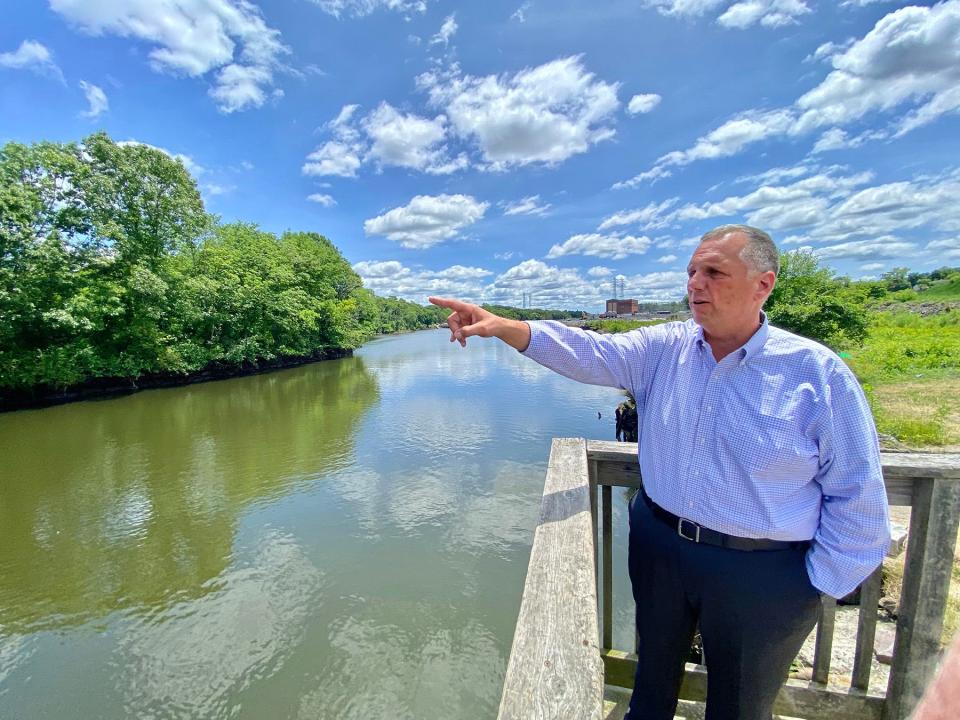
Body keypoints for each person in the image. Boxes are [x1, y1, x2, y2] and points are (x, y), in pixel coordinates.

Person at [429, 224, 890, 720]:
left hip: (763, 570)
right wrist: (502, 326)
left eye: (714, 272)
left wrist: (809, 586)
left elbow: (857, 494)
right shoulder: (662, 348)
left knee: (739, 707)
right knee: (650, 689)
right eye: (692, 271)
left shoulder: (816, 374)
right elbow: (588, 351)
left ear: (764, 284)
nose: (695, 283)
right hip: (660, 547)